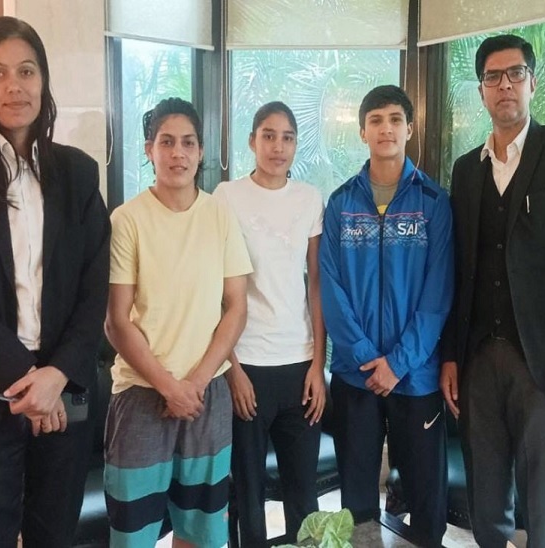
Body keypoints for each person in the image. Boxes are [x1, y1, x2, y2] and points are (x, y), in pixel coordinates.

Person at [439, 34, 545, 547]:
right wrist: (451, 356)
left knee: (543, 506)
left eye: (515, 74)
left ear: (533, 83)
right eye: (493, 77)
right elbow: (458, 270)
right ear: (481, 91)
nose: (505, 85)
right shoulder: (466, 170)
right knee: (486, 496)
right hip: (479, 360)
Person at [0, 16, 110, 547]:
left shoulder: (78, 173)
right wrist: (26, 378)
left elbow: (94, 288)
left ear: (43, 80)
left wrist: (57, 375)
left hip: (63, 394)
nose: (14, 86)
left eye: (26, 71)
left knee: (55, 533)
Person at [104, 97, 252, 548]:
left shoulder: (219, 214)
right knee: (133, 533)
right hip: (142, 394)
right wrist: (170, 387)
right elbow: (116, 322)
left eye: (188, 143)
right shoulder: (127, 220)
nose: (178, 153)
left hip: (209, 393)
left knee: (201, 531)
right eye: (166, 142)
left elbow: (236, 307)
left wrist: (196, 383)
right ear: (149, 149)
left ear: (201, 151)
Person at [319, 84, 453, 547]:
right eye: (375, 120)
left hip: (416, 378)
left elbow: (437, 294)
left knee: (427, 498)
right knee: (357, 501)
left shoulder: (433, 202)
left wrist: (398, 363)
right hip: (355, 377)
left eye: (395, 119)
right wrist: (364, 356)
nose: (386, 129)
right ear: (362, 132)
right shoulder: (341, 204)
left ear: (409, 128)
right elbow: (330, 289)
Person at [213, 101, 326, 546]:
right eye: (268, 135)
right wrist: (232, 369)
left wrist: (318, 364)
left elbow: (315, 283)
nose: (278, 147)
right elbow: (217, 291)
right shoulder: (227, 197)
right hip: (248, 367)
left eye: (288, 138)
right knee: (248, 494)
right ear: (252, 141)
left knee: (304, 497)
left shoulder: (309, 198)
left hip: (300, 366)